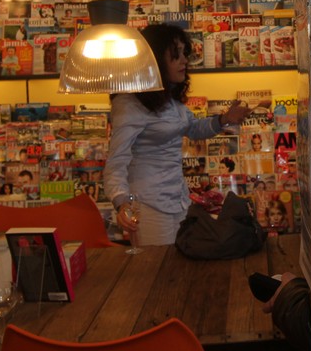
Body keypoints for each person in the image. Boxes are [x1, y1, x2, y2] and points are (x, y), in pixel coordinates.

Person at [105, 23, 251, 246]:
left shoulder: (169, 99)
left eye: (185, 53)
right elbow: (116, 162)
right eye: (176, 54)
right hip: (148, 204)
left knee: (181, 260)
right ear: (154, 59)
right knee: (158, 264)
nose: (184, 61)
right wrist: (122, 202)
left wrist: (224, 119)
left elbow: (192, 128)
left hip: (178, 198)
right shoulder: (129, 104)